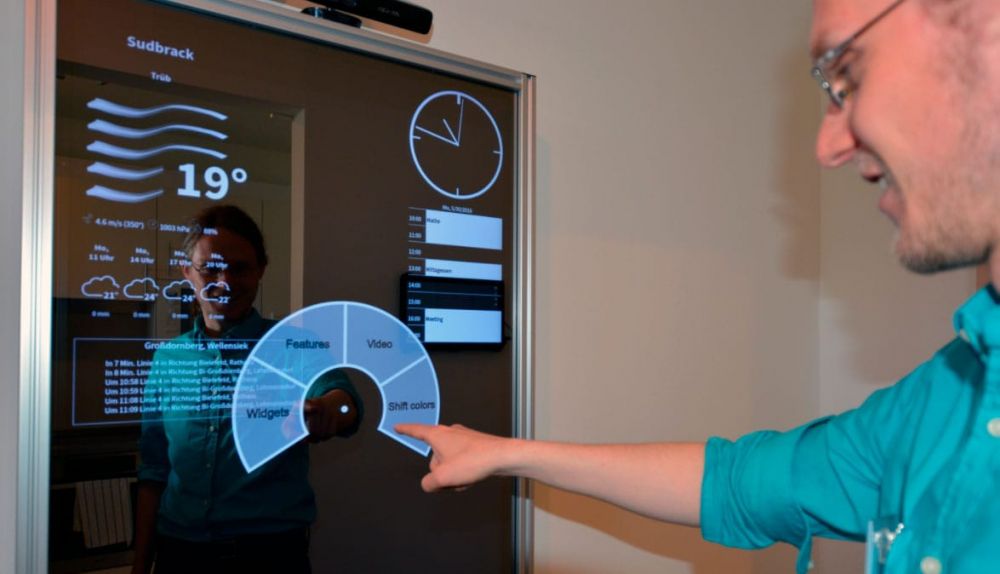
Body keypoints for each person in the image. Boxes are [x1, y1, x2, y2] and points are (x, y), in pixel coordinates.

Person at [397, 0, 1000, 572]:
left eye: (849, 75)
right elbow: (733, 483)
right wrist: (506, 454)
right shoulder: (952, 393)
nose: (828, 146)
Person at [132, 205, 362, 574]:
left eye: (239, 268)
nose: (225, 281)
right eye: (210, 268)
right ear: (188, 272)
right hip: (180, 553)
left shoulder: (292, 344)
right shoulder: (168, 358)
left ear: (260, 271)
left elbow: (345, 401)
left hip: (269, 555)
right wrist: (140, 566)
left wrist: (332, 408)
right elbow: (153, 470)